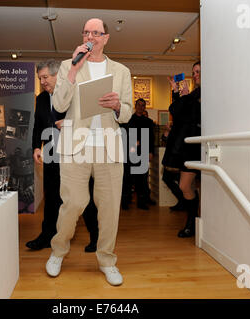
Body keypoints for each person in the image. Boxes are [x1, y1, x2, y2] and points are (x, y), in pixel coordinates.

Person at [45, 18, 132, 286]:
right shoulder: (66, 66)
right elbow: (59, 104)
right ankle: (58, 251)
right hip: (76, 144)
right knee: (73, 203)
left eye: (96, 32)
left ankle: (107, 260)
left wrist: (118, 106)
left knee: (108, 209)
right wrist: (73, 70)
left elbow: (127, 113)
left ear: (106, 38)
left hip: (108, 145)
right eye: (86, 31)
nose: (91, 36)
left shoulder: (121, 71)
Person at [27, 59, 99, 252]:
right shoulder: (41, 99)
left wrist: (70, 125)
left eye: (45, 77)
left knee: (84, 199)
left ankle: (96, 237)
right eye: (39, 78)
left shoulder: (75, 93)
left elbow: (90, 123)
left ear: (57, 76)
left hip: (76, 154)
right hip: (52, 155)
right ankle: (46, 236)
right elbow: (37, 126)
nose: (42, 82)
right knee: (51, 198)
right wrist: (36, 147)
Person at [162, 61, 201, 237]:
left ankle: (192, 224)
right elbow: (176, 112)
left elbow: (190, 116)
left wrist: (183, 97)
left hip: (194, 146)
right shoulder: (193, 94)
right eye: (194, 72)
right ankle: (192, 223)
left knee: (185, 185)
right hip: (186, 146)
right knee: (186, 186)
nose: (196, 74)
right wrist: (178, 93)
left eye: (199, 71)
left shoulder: (205, 93)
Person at [125, 98, 155, 210]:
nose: (141, 107)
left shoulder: (148, 122)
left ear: (144, 107)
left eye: (143, 105)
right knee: (128, 178)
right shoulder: (128, 120)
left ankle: (142, 203)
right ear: (135, 106)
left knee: (142, 180)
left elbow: (151, 139)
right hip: (130, 153)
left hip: (143, 153)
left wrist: (151, 152)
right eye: (139, 105)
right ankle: (126, 201)